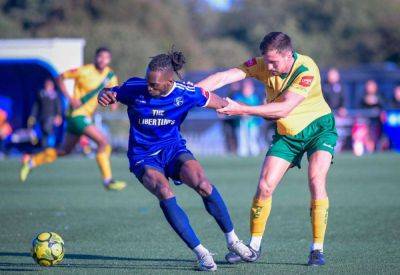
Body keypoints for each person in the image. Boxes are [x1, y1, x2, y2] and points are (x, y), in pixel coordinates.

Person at [97, 50, 257, 271]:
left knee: (203, 183)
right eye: (148, 82)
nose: (149, 88)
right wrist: (104, 95)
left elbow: (217, 101)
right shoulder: (135, 87)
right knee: (164, 191)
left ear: (169, 81)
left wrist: (236, 108)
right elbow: (110, 92)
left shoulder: (187, 93)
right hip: (143, 156)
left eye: (154, 85)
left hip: (173, 150)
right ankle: (201, 253)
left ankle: (233, 241)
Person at [196, 32, 338, 266]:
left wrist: (241, 109)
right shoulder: (263, 64)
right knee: (264, 186)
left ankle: (317, 249)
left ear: (288, 55)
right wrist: (190, 90)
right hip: (287, 134)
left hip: (319, 130)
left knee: (315, 180)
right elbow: (225, 77)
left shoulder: (306, 69)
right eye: (266, 61)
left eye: (274, 62)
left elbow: (284, 109)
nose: (269, 66)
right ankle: (253, 247)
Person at [20, 47, 126, 191]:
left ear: (109, 60)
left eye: (106, 58)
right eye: (100, 56)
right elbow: (59, 77)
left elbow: (114, 92)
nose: (103, 60)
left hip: (84, 117)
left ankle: (32, 161)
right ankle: (108, 181)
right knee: (103, 141)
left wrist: (114, 103)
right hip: (77, 114)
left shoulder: (110, 75)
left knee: (64, 151)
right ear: (95, 57)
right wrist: (69, 98)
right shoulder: (84, 71)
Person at [28, 78, 62, 148]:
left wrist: (59, 115)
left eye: (50, 85)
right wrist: (33, 116)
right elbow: (36, 106)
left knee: (48, 130)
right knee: (43, 132)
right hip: (42, 117)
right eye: (47, 85)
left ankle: (51, 146)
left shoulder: (55, 95)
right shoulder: (41, 94)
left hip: (51, 117)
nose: (48, 87)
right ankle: (44, 147)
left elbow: (58, 106)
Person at [234, 79, 262, 156]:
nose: (246, 90)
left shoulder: (255, 98)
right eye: (245, 88)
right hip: (241, 122)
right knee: (242, 138)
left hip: (253, 123)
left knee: (253, 138)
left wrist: (249, 113)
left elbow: (257, 109)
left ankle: (254, 152)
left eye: (248, 88)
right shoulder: (238, 97)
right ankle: (243, 153)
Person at [359, 79, 384, 152]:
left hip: (377, 123)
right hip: (366, 122)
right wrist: (365, 101)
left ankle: (377, 147)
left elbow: (384, 106)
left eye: (372, 86)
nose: (370, 88)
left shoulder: (380, 96)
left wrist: (377, 101)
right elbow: (359, 108)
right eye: (368, 86)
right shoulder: (363, 97)